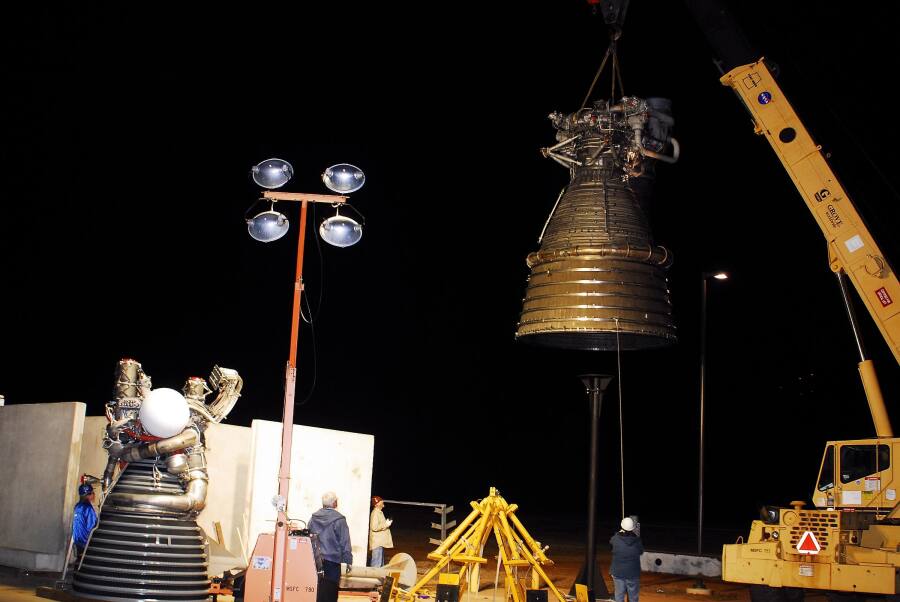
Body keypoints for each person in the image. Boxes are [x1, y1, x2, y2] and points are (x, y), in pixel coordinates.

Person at [307, 491, 353, 602]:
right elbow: (345, 541)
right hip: (333, 561)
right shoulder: (339, 520)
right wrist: (348, 560)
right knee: (331, 591)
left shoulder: (313, 518)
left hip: (316, 560)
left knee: (318, 589)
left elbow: (308, 535)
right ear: (334, 503)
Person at [610, 516, 643, 602]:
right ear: (632, 528)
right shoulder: (637, 540)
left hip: (618, 572)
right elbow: (641, 551)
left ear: (622, 526)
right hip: (633, 572)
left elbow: (611, 545)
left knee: (619, 595)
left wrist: (618, 533)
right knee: (633, 596)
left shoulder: (615, 539)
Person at [71, 483, 98, 560]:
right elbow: (93, 527)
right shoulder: (88, 508)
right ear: (89, 495)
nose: (94, 495)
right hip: (86, 544)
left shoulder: (77, 506)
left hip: (77, 543)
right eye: (93, 493)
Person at [368, 496, 393, 567]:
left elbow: (379, 524)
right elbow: (374, 527)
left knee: (380, 563)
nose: (382, 502)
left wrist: (386, 522)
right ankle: (374, 577)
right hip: (377, 542)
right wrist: (386, 524)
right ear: (377, 504)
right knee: (376, 563)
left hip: (379, 542)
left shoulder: (379, 512)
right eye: (380, 501)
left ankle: (378, 577)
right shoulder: (375, 513)